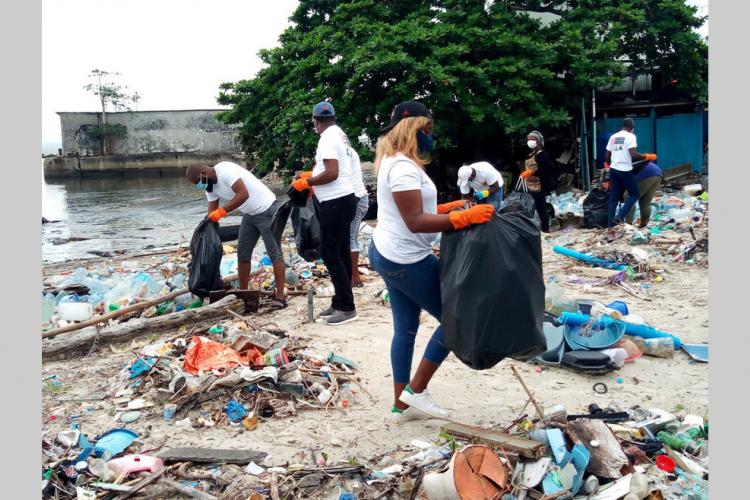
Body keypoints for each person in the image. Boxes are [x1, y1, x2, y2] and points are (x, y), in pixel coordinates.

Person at [368, 101, 495, 421]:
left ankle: (401, 404)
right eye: (426, 131)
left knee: (406, 327)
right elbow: (414, 221)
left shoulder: (395, 162)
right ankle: (416, 390)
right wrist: (463, 218)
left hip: (388, 251)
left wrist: (448, 207)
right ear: (412, 130)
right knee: (459, 317)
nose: (430, 137)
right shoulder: (401, 169)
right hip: (405, 259)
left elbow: (412, 210)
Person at [291, 101, 358, 326]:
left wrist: (306, 182)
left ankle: (347, 307)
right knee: (342, 251)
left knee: (330, 254)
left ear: (316, 121)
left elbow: (331, 173)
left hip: (335, 201)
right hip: (346, 199)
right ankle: (340, 300)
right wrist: (311, 175)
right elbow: (331, 170)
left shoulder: (327, 138)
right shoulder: (340, 134)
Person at [186, 161, 287, 309]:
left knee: (274, 253)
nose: (199, 185)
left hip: (267, 209)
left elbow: (243, 194)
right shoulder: (210, 187)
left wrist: (223, 211)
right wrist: (204, 241)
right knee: (243, 254)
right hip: (249, 214)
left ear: (203, 174)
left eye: (198, 182)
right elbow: (211, 214)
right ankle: (244, 295)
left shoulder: (225, 170)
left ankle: (280, 296)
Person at [604, 118, 657, 227]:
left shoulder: (613, 137)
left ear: (622, 126)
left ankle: (610, 226)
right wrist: (646, 156)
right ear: (632, 129)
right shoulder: (631, 136)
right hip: (625, 170)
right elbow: (633, 154)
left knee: (613, 199)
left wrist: (612, 165)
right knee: (634, 194)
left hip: (614, 170)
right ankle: (619, 217)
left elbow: (607, 156)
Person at [519, 131, 556, 232]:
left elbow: (546, 169)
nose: (530, 141)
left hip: (539, 185)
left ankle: (545, 230)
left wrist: (531, 172)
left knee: (540, 208)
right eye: (529, 139)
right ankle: (532, 229)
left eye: (533, 139)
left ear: (538, 141)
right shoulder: (530, 154)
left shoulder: (542, 154)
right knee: (529, 207)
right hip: (529, 184)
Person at [349, 148, 370, 287]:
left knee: (349, 238)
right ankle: (354, 276)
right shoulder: (351, 152)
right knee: (353, 237)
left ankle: (354, 278)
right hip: (362, 197)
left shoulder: (339, 152)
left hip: (354, 198)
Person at [624, 162, 663, 227]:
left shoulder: (617, 166)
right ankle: (643, 225)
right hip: (657, 172)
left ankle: (628, 225)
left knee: (628, 197)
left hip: (645, 174)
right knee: (645, 202)